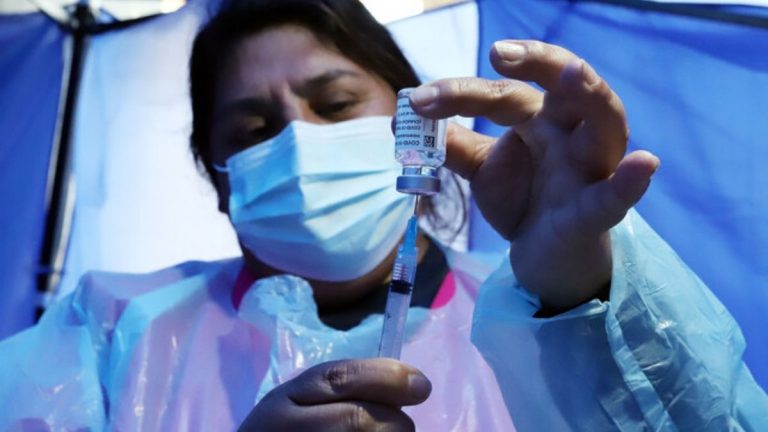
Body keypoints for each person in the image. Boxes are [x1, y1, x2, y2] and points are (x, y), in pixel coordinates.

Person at [0, 0, 766, 430]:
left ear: (416, 126)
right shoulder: (109, 330)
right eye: (253, 130)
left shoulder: (539, 308)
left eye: (336, 105)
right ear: (219, 176)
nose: (300, 142)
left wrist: (582, 300)